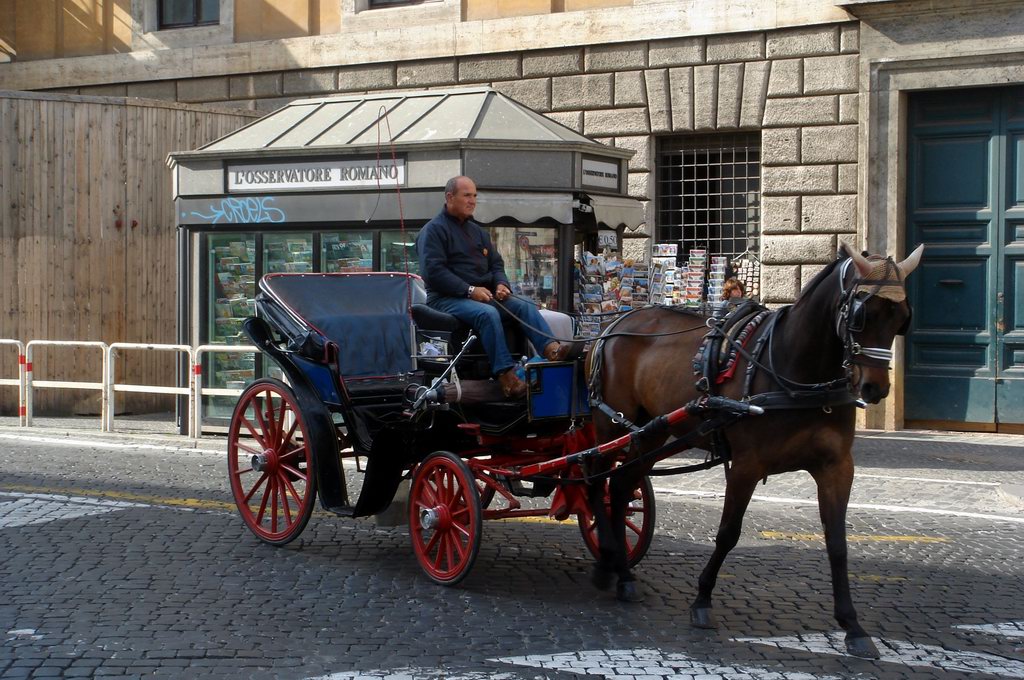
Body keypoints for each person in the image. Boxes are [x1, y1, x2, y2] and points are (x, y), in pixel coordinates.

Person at [416, 176, 569, 399]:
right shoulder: (433, 231)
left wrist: (501, 284)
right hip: (446, 298)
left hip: (483, 295)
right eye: (467, 195)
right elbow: (434, 273)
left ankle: (551, 350)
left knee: (525, 305)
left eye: (475, 195)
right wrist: (469, 290)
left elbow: (496, 264)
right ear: (450, 197)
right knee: (486, 314)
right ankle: (507, 377)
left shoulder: (478, 232)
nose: (472, 200)